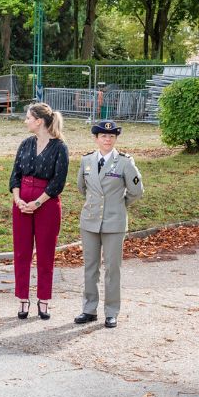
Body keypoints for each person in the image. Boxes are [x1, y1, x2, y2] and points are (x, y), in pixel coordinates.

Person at [74, 121, 143, 328]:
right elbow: (82, 188)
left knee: (113, 269)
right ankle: (89, 309)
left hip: (114, 222)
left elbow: (136, 191)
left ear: (115, 139)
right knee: (90, 267)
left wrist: (119, 205)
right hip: (90, 221)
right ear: (96, 139)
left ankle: (111, 311)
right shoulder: (86, 160)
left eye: (111, 136)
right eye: (103, 136)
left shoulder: (125, 162)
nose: (107, 139)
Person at [9, 102, 69, 320]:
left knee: (45, 253)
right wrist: (18, 199)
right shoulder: (25, 144)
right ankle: (22, 299)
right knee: (22, 252)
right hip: (22, 202)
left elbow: (58, 181)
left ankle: (44, 300)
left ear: (39, 121)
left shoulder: (60, 147)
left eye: (28, 118)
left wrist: (37, 203)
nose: (25, 121)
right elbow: (15, 174)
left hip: (47, 203)